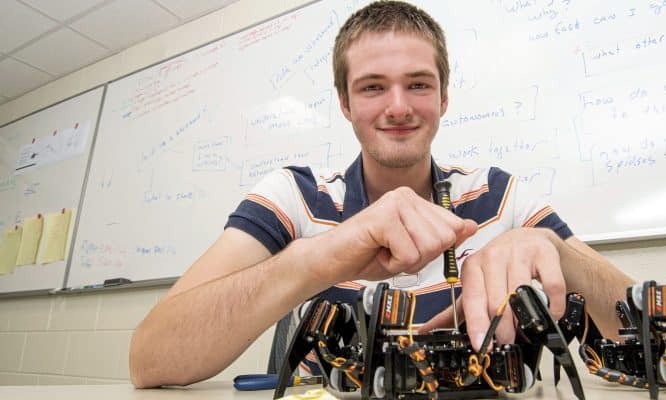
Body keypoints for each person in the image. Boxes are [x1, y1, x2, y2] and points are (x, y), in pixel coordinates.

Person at [129, 0, 634, 388]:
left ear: (443, 97)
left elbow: (644, 335)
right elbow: (149, 359)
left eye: (418, 84)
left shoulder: (500, 194)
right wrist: (316, 260)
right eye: (373, 88)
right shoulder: (293, 195)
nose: (398, 107)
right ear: (344, 103)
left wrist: (555, 250)